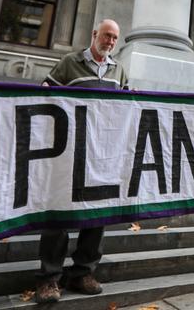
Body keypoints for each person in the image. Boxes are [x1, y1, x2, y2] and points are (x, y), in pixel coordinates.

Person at [35, 19, 128, 303]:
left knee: (97, 214)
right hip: (67, 154)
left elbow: (126, 107)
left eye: (115, 38)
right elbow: (45, 94)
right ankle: (50, 279)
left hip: (102, 157)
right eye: (107, 36)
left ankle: (82, 272)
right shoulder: (69, 62)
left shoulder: (119, 70)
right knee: (58, 216)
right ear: (94, 34)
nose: (110, 42)